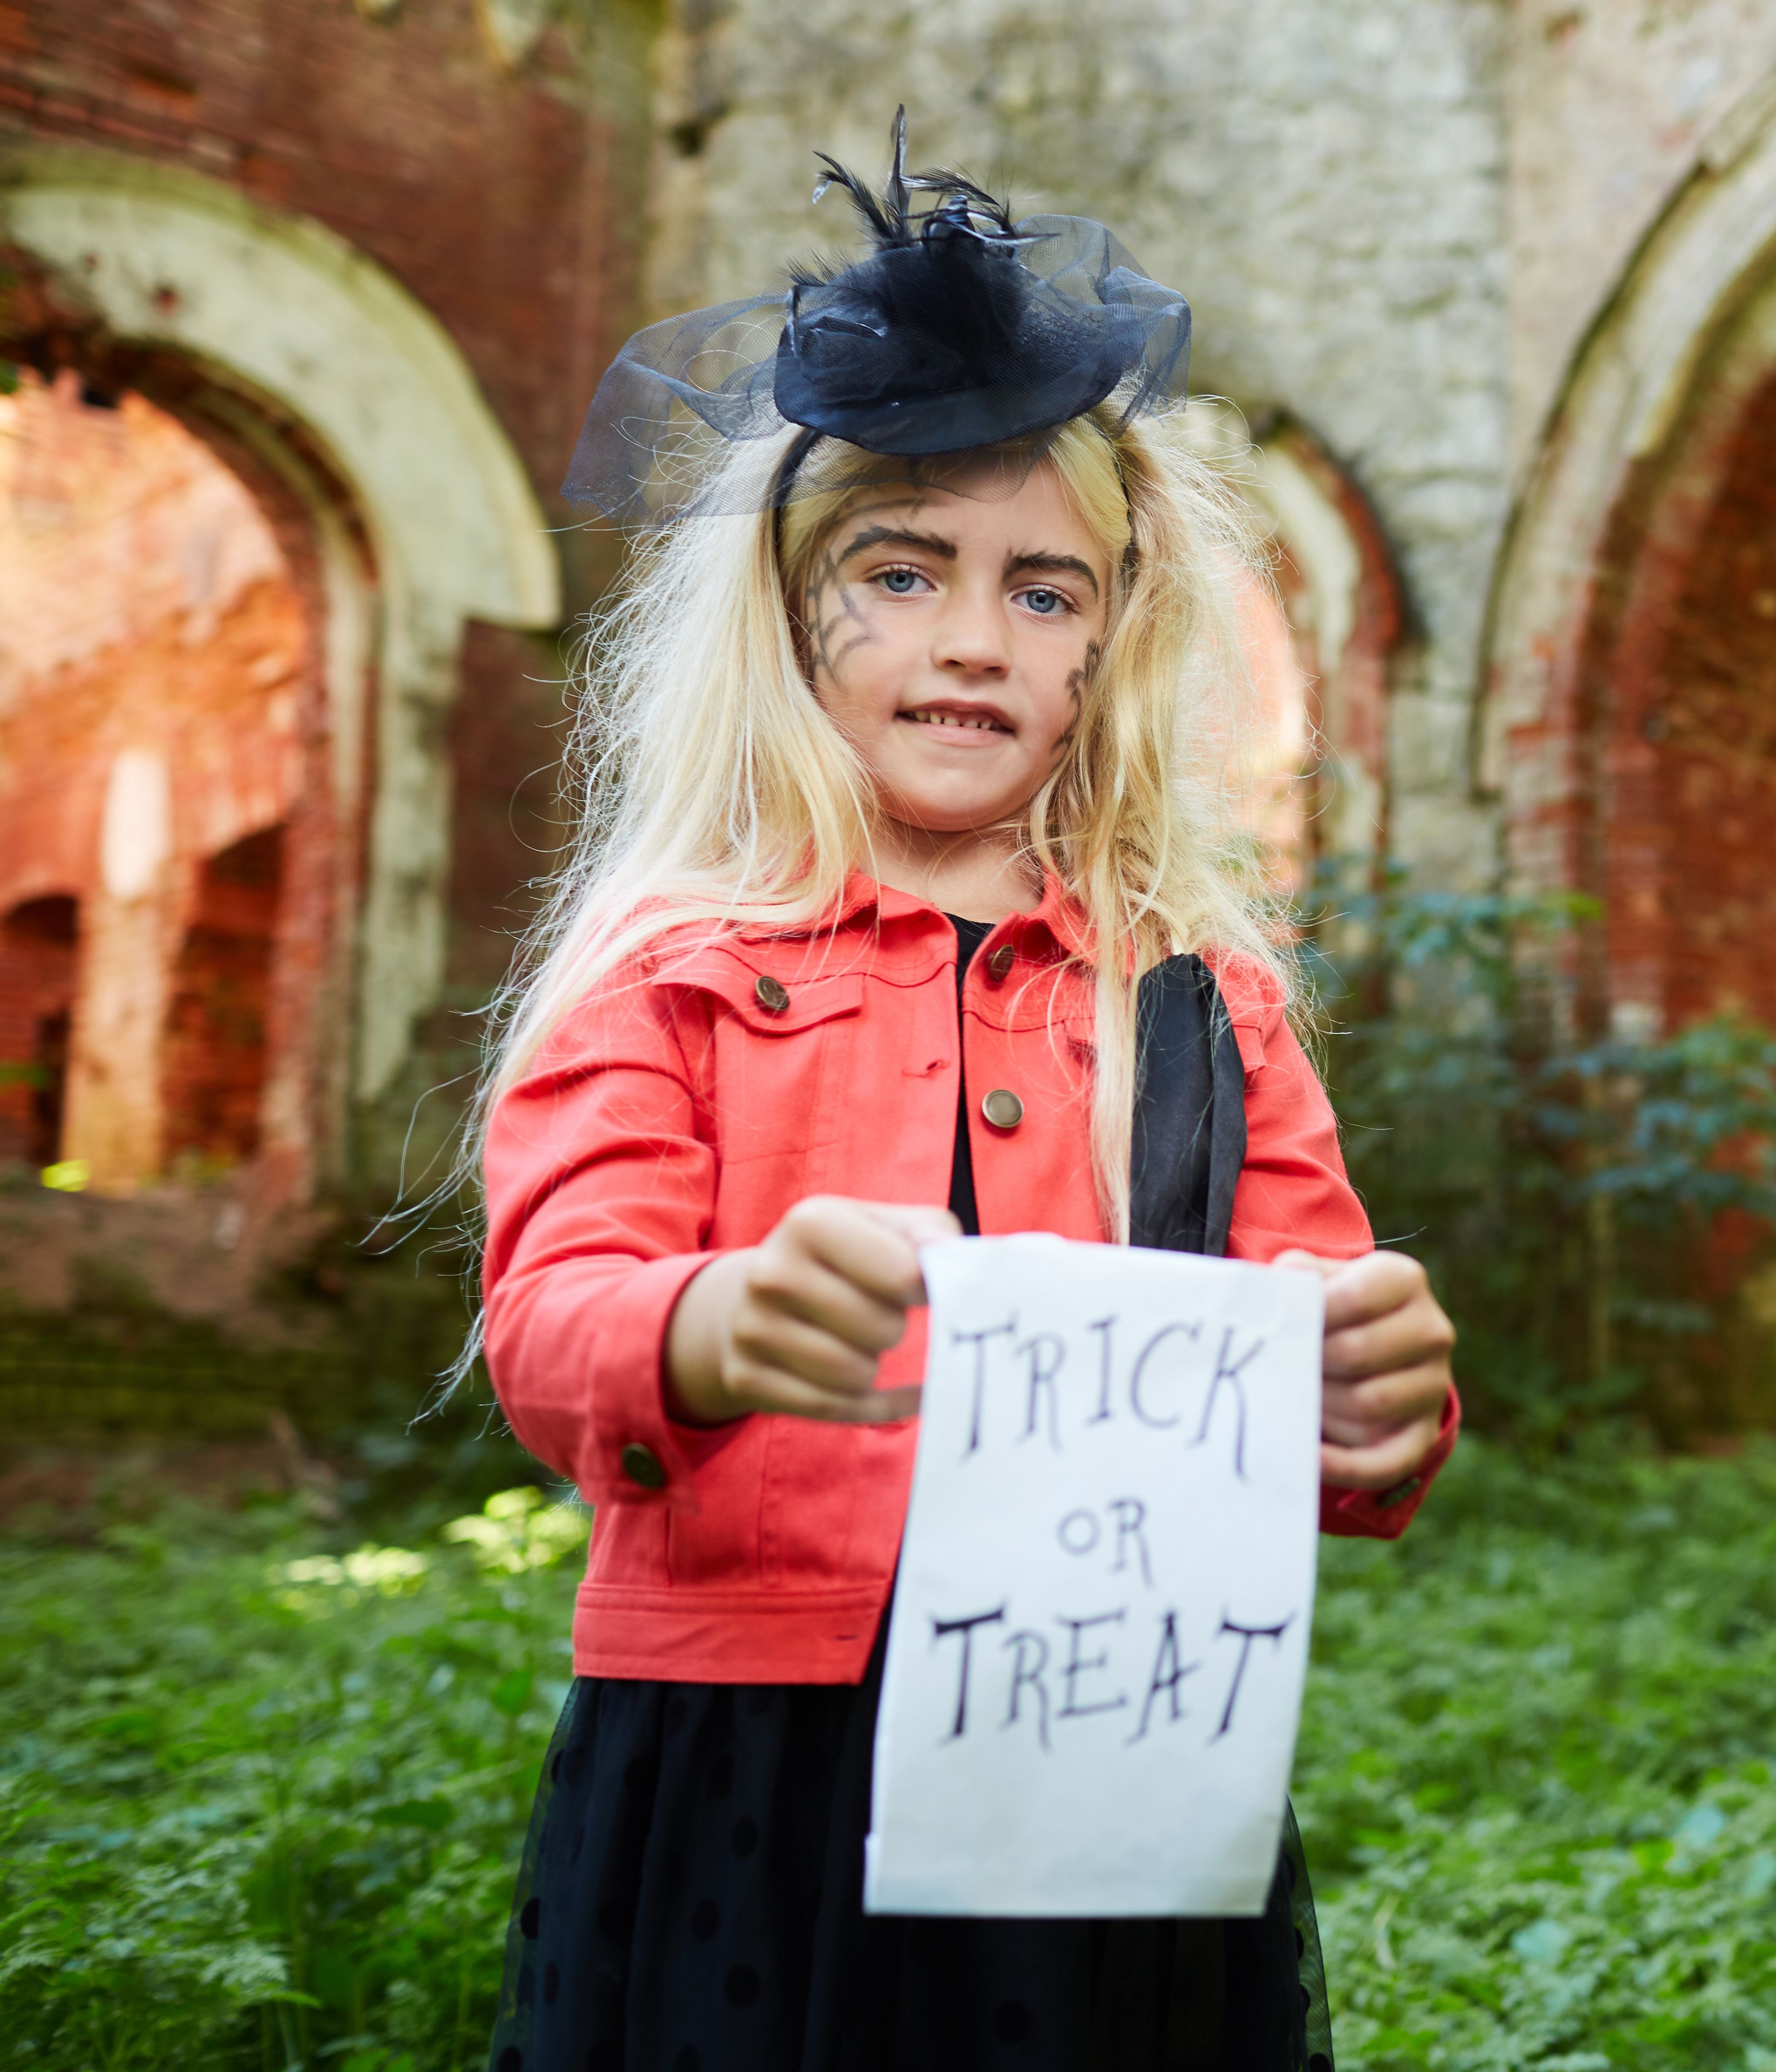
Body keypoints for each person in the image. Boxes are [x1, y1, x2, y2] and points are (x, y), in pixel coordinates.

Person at [474, 113, 1459, 2072]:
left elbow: (1313, 1378)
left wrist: (1373, 1399)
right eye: (902, 571)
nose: (967, 638)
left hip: (1102, 1758)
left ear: (1113, 640)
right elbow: (549, 1318)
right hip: (744, 1755)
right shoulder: (671, 969)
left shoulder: (1202, 1002)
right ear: (789, 611)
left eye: (1041, 590)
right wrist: (708, 1316)